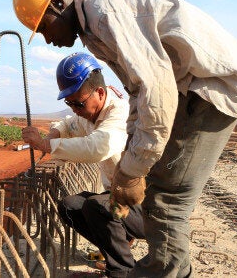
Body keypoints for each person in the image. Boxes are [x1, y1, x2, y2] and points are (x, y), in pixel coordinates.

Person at [13, 0, 237, 277]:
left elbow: (155, 91)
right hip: (190, 86)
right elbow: (138, 95)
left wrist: (131, 172)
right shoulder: (93, 28)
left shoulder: (103, 14)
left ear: (59, 4)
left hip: (212, 86)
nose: (48, 39)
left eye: (43, 27)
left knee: (167, 201)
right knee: (157, 196)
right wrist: (133, 162)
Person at [21, 52, 144, 277]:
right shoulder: (88, 112)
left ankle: (121, 272)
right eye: (69, 104)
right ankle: (119, 248)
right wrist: (54, 133)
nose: (74, 109)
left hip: (146, 207)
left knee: (96, 206)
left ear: (99, 92)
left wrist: (45, 145)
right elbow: (69, 124)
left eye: (77, 103)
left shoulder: (119, 112)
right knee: (69, 206)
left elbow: (97, 147)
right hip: (119, 199)